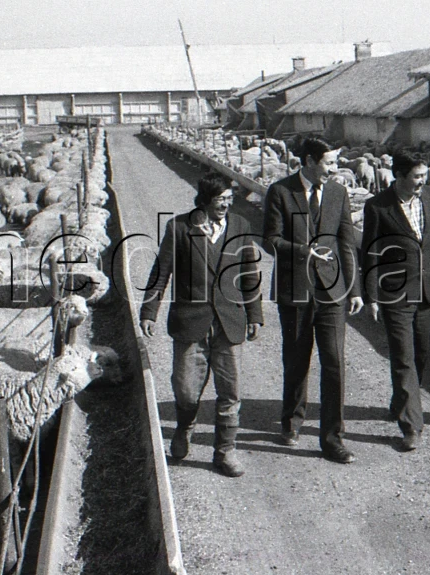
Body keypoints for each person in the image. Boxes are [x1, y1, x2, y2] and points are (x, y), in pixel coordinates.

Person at [139, 171, 263, 478]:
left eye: (229, 199)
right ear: (205, 200)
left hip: (229, 322)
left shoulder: (240, 227)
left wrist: (255, 315)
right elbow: (161, 271)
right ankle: (185, 426)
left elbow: (249, 275)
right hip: (191, 322)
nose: (225, 205)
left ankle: (225, 452)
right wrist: (149, 310)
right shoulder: (180, 227)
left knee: (230, 391)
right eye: (220, 199)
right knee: (186, 390)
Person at [263, 136, 364, 464]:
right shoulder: (280, 191)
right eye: (328, 163)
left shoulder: (338, 192)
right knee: (296, 359)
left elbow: (347, 242)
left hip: (332, 291)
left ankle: (333, 438)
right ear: (308, 161)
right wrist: (303, 251)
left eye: (335, 163)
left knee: (334, 362)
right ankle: (291, 420)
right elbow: (271, 240)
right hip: (296, 290)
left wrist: (356, 289)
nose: (334, 170)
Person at [361, 147, 430, 451]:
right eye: (416, 176)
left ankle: (402, 400)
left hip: (428, 288)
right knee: (403, 357)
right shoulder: (377, 207)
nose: (421, 182)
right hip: (395, 293)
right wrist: (370, 294)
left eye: (424, 176)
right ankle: (412, 425)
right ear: (398, 175)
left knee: (420, 354)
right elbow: (370, 253)